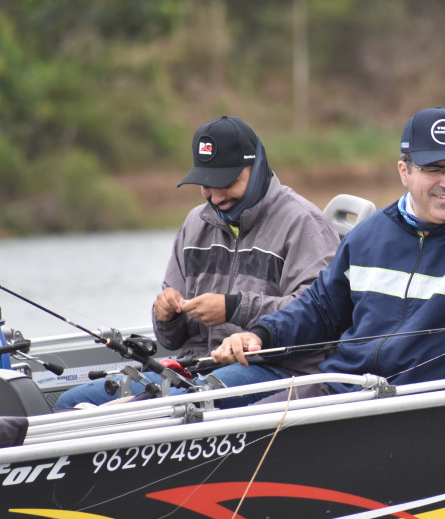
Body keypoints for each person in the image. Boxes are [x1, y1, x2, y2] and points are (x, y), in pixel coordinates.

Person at [210, 107, 445, 396]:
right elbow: (319, 308)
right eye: (434, 169)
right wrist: (261, 335)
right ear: (404, 171)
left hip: (419, 405)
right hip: (342, 387)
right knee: (227, 413)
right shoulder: (368, 234)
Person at [55, 116, 340, 409]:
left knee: (174, 407)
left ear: (257, 169)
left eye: (226, 182)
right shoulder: (194, 223)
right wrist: (167, 315)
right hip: (197, 368)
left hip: (278, 371)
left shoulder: (304, 223)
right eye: (206, 184)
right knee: (71, 401)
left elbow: (321, 315)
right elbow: (170, 339)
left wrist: (234, 307)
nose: (215, 197)